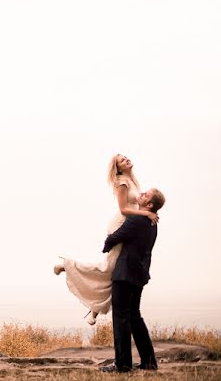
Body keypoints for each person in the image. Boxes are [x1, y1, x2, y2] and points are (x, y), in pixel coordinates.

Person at [54, 154, 158, 324]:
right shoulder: (121, 182)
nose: (127, 160)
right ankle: (67, 266)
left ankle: (95, 309)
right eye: (122, 161)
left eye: (126, 157)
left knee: (116, 272)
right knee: (109, 269)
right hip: (122, 224)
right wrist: (146, 213)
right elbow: (124, 209)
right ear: (118, 168)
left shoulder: (132, 180)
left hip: (130, 224)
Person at [98, 187, 166, 373]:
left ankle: (123, 365)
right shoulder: (153, 222)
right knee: (134, 316)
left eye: (146, 195)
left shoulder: (137, 219)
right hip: (140, 273)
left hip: (125, 274)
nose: (141, 194)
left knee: (121, 317)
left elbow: (113, 239)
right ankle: (149, 362)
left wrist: (107, 244)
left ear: (150, 204)